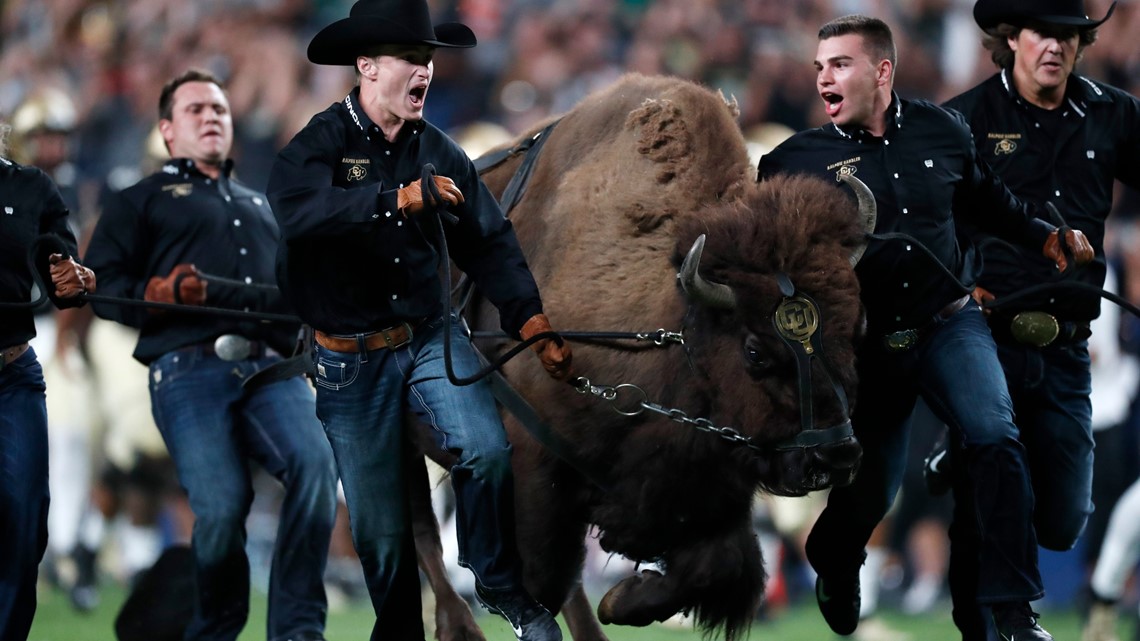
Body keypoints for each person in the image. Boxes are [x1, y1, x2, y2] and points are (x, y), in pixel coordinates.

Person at [756, 14, 1094, 641]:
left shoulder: (943, 129)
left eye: (840, 64)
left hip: (950, 323)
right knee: (874, 491)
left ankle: (1015, 612)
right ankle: (833, 555)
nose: (824, 77)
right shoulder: (790, 162)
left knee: (996, 435)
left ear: (881, 71)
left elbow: (989, 201)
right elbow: (757, 257)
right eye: (820, 67)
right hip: (870, 347)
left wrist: (1045, 236)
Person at [266, 0, 572, 639]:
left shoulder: (440, 149)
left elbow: (490, 243)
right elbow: (298, 215)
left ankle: (495, 580)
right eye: (410, 58)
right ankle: (400, 626)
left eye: (428, 59)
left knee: (486, 449)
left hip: (430, 335)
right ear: (368, 66)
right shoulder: (319, 143)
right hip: (348, 358)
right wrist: (392, 202)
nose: (424, 71)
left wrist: (531, 319)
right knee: (379, 533)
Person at [83, 69, 338, 641]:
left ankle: (298, 632)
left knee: (315, 467)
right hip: (187, 368)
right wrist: (153, 298)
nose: (211, 117)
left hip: (272, 368)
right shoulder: (139, 201)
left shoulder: (265, 204)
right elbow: (100, 287)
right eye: (195, 109)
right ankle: (214, 631)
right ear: (168, 131)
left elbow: (299, 298)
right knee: (221, 507)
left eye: (219, 109)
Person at [939, 1, 1140, 638]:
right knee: (997, 456)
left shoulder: (1115, 114)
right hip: (985, 335)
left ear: (1083, 45)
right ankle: (1011, 617)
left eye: (1068, 36)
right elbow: (928, 219)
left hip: (1067, 345)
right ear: (1011, 38)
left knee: (1061, 519)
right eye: (1041, 33)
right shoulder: (963, 120)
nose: (1054, 47)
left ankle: (960, 456)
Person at [0, 119, 96, 641]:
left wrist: (76, 278)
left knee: (25, 518)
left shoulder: (31, 187)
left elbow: (67, 274)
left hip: (11, 370)